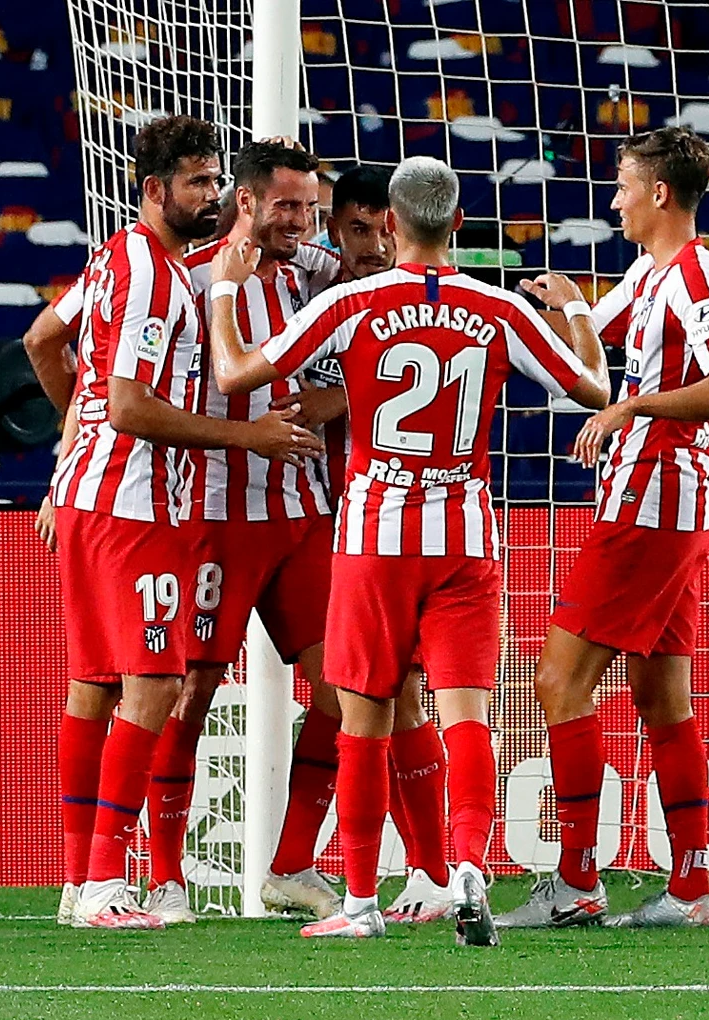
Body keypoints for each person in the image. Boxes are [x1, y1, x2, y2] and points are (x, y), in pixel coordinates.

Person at [206, 156, 611, 944]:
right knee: (466, 716)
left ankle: (360, 901)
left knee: (363, 717)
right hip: (464, 538)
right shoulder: (498, 309)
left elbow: (234, 373)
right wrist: (578, 312)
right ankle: (467, 864)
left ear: (390, 225)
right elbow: (595, 388)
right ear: (457, 223)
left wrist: (225, 290)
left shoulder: (352, 302)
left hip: (376, 540)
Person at [43, 115, 321, 929]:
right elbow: (129, 406)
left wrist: (75, 444)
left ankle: (79, 881)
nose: (210, 195)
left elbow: (42, 340)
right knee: (157, 685)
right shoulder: (158, 279)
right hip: (138, 505)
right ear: (155, 190)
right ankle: (107, 882)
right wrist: (246, 436)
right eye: (197, 182)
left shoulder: (118, 256)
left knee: (95, 686)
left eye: (214, 180)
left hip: (97, 493)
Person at [501, 127, 709, 931]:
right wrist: (567, 305)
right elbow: (585, 353)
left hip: (653, 500)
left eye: (623, 186)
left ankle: (578, 878)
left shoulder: (695, 272)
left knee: (558, 679)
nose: (614, 202)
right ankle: (691, 887)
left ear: (659, 194)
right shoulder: (649, 273)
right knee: (660, 694)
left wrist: (634, 404)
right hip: (661, 501)